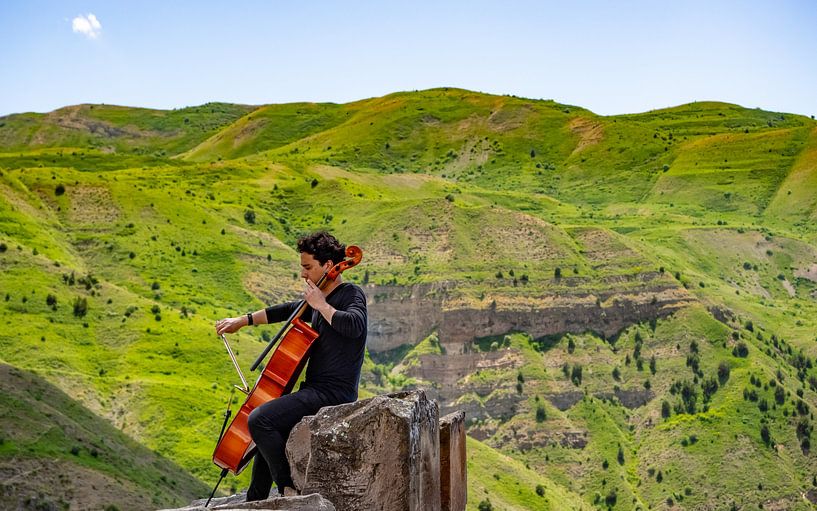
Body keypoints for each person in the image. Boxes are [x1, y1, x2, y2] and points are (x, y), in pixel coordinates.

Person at [215, 231, 367, 500]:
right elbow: (286, 311)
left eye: (308, 267)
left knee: (259, 419)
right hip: (314, 389)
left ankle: (288, 487)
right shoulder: (317, 301)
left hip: (334, 393)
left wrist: (320, 306)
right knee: (270, 428)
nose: (303, 274)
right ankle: (256, 498)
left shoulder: (350, 294)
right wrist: (242, 320)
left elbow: (354, 326)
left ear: (329, 266)